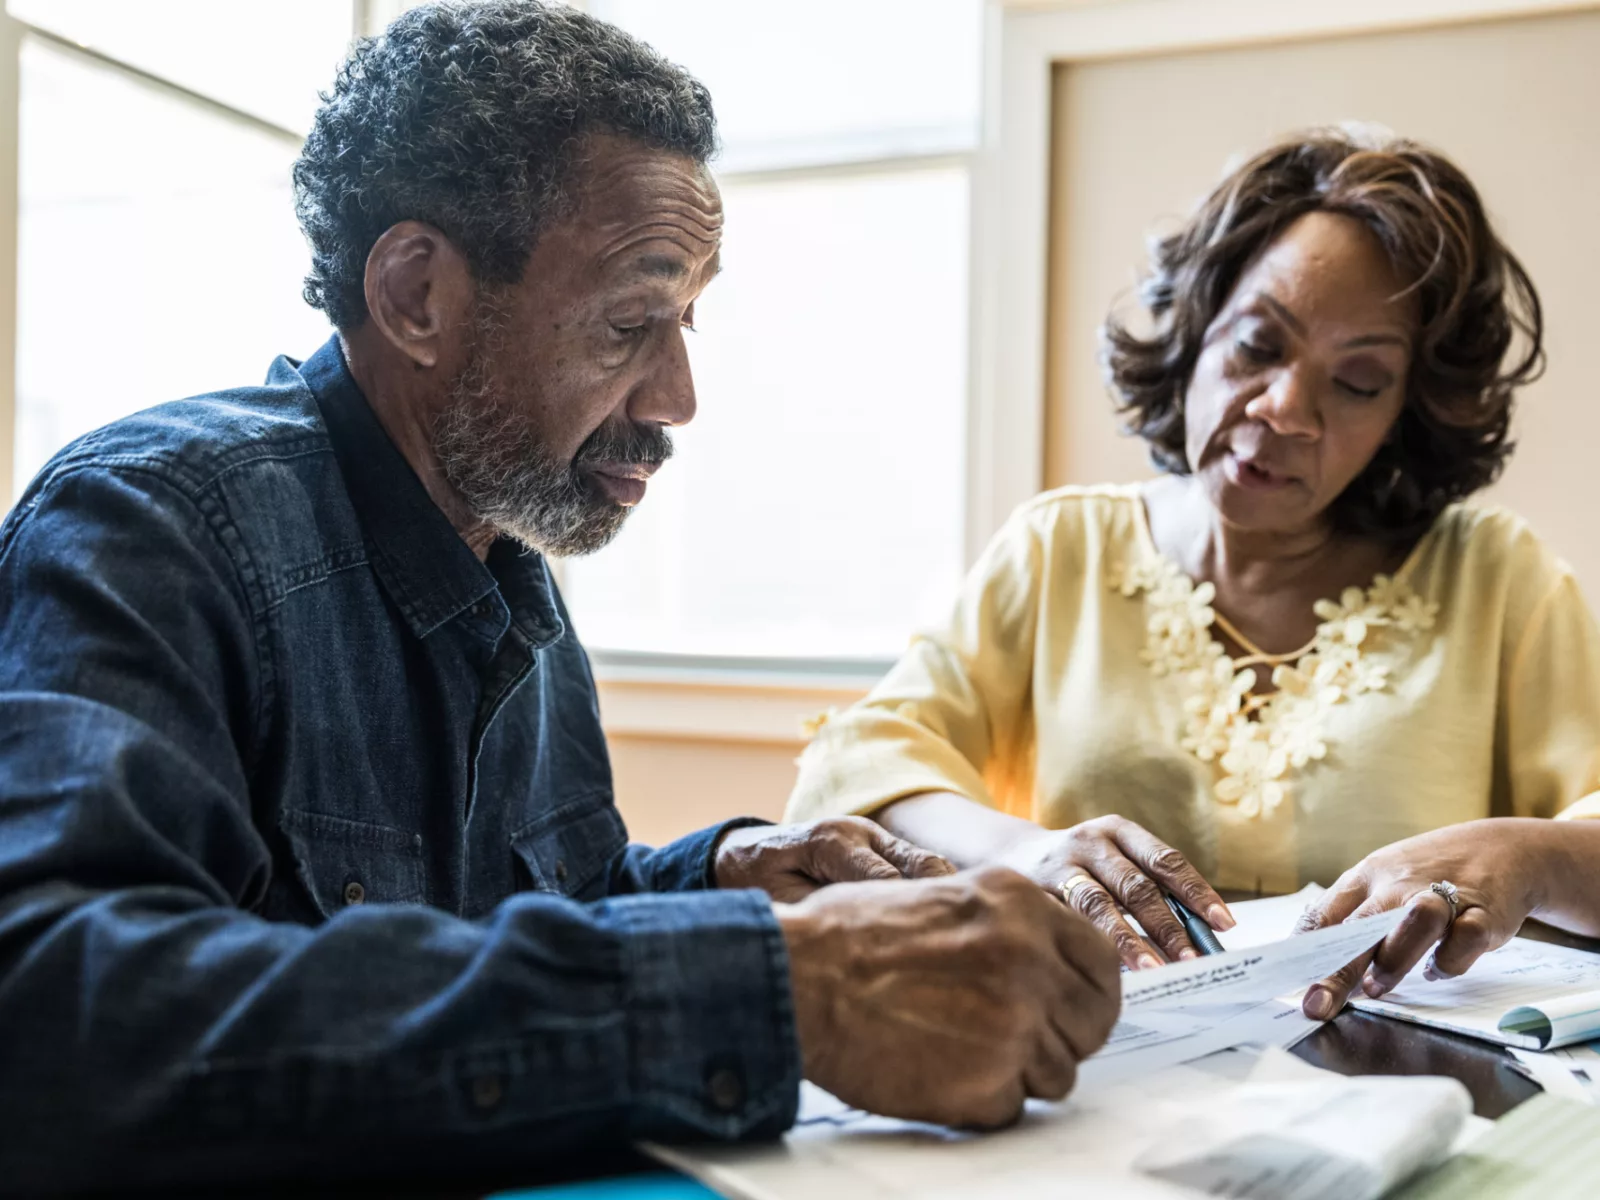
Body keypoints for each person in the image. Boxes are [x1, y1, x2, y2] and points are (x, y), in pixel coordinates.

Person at [0, 3, 1122, 1191]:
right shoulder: (152, 525)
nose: (680, 396)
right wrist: (779, 988)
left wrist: (725, 878)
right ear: (417, 295)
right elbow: (54, 1020)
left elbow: (543, 908)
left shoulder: (509, 554)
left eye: (686, 319)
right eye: (631, 322)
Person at [786, 126, 1600, 1016]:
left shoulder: (1498, 581)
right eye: (1257, 344)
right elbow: (860, 765)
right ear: (1200, 327)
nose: (1284, 409)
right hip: (1091, 1073)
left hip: (1407, 1082)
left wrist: (1527, 855)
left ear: (1408, 412)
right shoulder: (1063, 550)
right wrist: (1026, 852)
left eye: (1358, 382)